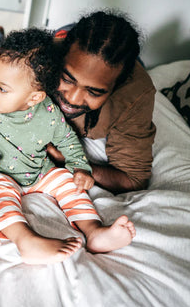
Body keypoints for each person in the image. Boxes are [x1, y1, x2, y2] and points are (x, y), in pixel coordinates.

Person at [0, 28, 136, 265]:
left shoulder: (50, 114)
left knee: (67, 182)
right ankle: (26, 241)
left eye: (2, 88)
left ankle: (94, 231)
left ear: (34, 98)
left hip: (39, 172)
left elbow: (68, 141)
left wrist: (79, 167)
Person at [47, 10, 156, 194]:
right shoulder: (42, 54)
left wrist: (74, 161)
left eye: (93, 92)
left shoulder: (135, 95)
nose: (72, 99)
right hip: (63, 36)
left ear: (116, 88)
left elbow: (133, 179)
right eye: (67, 79)